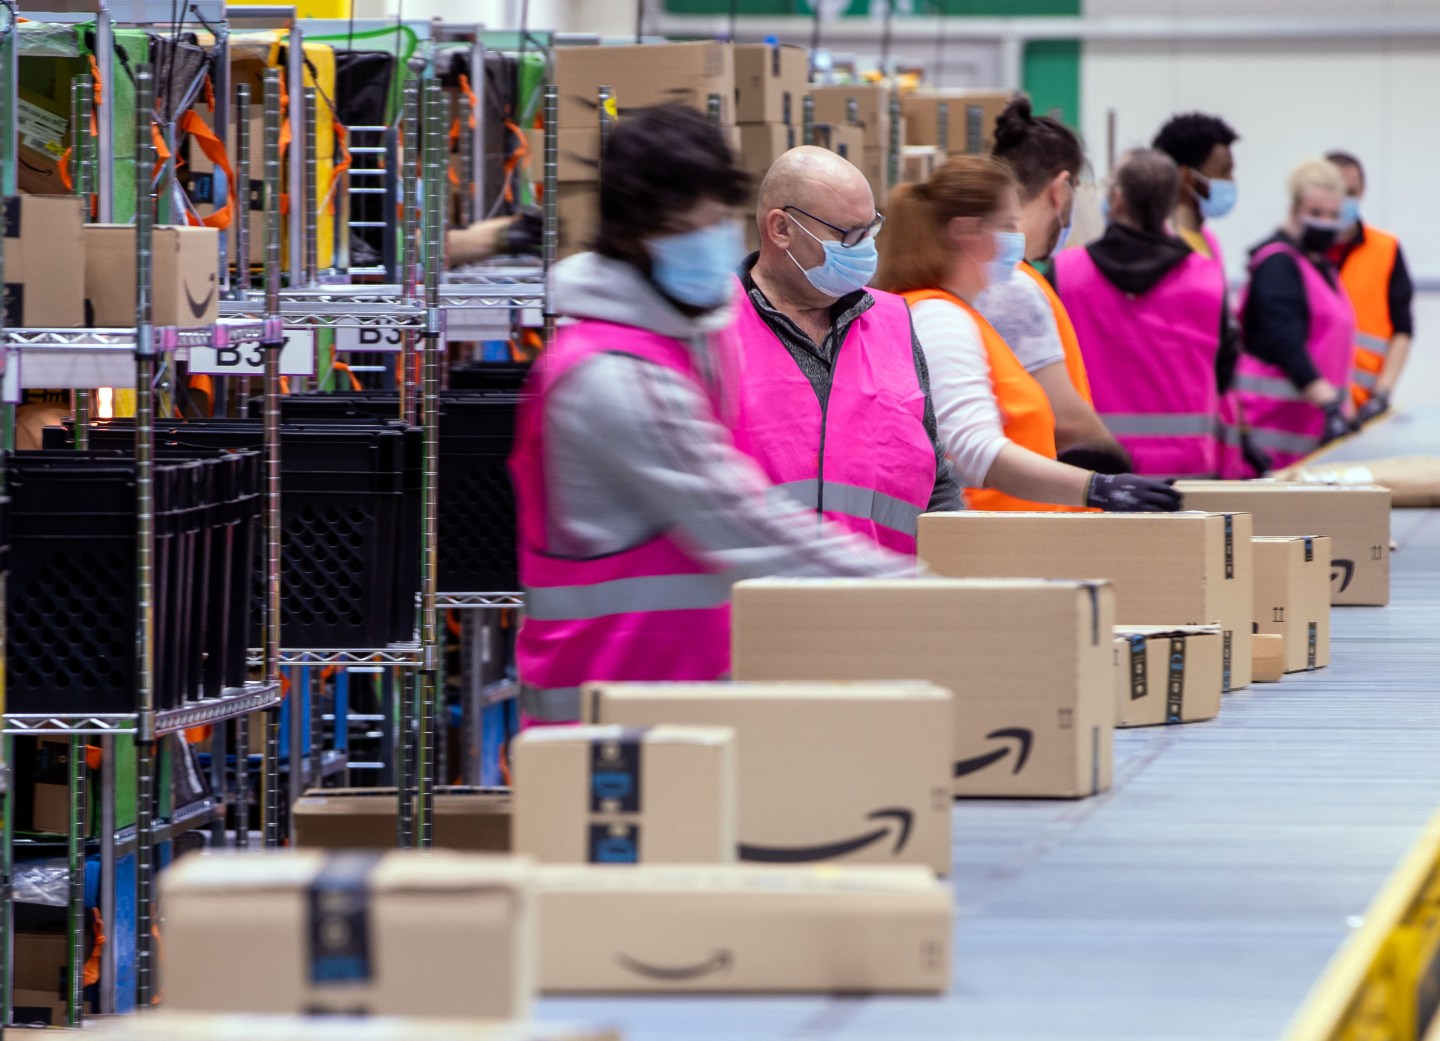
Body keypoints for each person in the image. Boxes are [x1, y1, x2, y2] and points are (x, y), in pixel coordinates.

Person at [510, 108, 912, 725]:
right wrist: (928, 596)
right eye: (691, 229)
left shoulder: (678, 336)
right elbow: (745, 524)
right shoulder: (611, 377)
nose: (715, 241)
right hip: (603, 731)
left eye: (716, 221)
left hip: (677, 712)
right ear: (636, 238)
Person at [873, 154, 1181, 514]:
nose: (1016, 238)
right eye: (1006, 225)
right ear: (965, 232)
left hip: (1011, 544)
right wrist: (1095, 487)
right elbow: (973, 451)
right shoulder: (940, 320)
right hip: (988, 548)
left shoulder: (956, 313)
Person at [731, 146, 961, 555]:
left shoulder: (893, 322)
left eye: (870, 231)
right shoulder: (712, 331)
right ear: (781, 229)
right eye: (849, 236)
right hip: (758, 607)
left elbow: (935, 480)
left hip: (881, 603)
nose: (865, 251)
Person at [1053, 149, 1228, 479]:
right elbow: (1226, 366)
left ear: (1117, 199)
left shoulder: (1066, 274)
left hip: (1095, 470)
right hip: (1186, 470)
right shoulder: (1207, 278)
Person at [979, 98, 1131, 474]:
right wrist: (1125, 472)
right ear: (1060, 189)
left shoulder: (980, 269)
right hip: (1015, 507)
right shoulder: (1012, 284)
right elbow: (1067, 420)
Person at [1235, 157, 1357, 471]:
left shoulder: (1319, 266)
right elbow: (1285, 340)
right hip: (1274, 431)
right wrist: (1329, 403)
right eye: (1315, 213)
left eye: (1333, 215)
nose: (1325, 223)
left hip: (1308, 433)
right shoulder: (1278, 264)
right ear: (1294, 210)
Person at [1152, 111, 1250, 475]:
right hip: (1175, 434)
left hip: (1213, 422)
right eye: (1222, 171)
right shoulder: (1162, 249)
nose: (1230, 182)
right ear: (1184, 176)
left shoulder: (1208, 244)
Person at [1325, 150, 1415, 424]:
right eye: (1335, 190)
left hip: (1364, 406)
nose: (1343, 200)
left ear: (1362, 191)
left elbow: (1403, 329)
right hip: (1312, 406)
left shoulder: (1385, 248)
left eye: (1351, 191)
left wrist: (1381, 395)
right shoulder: (1298, 254)